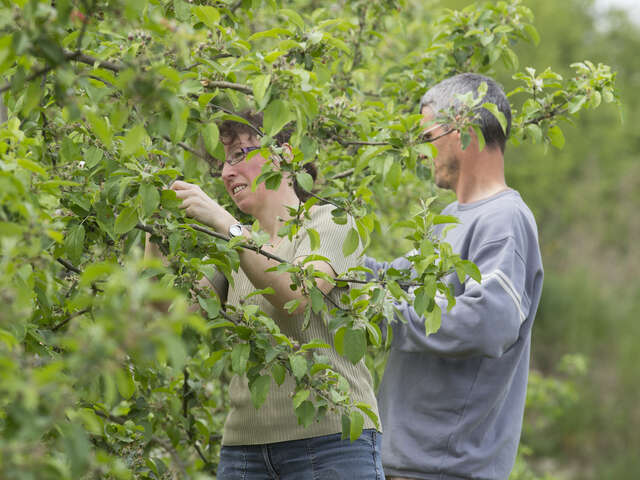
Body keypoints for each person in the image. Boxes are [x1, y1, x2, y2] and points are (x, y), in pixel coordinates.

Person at [164, 113, 384, 479]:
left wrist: (224, 223)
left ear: (284, 154)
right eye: (221, 163)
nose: (224, 173)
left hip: (331, 444)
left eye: (237, 155)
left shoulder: (333, 222)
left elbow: (297, 297)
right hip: (243, 453)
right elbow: (169, 321)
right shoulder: (233, 246)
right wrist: (154, 232)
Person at [365, 73, 544, 480]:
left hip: (444, 470)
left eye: (428, 134)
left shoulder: (505, 219)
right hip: (405, 464)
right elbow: (389, 282)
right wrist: (327, 261)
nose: (424, 149)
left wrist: (383, 311)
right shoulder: (448, 222)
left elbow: (486, 324)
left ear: (462, 130)